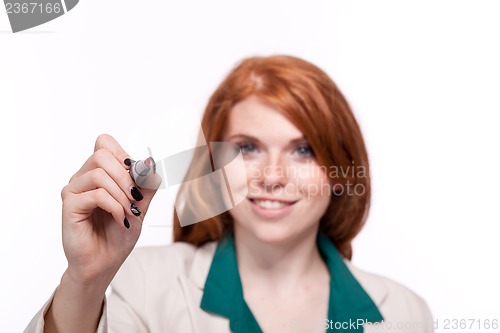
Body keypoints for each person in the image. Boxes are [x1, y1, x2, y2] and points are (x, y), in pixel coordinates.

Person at [25, 55, 433, 333]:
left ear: (338, 169)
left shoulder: (404, 314)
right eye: (248, 148)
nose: (273, 176)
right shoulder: (147, 285)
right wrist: (86, 281)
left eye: (303, 149)